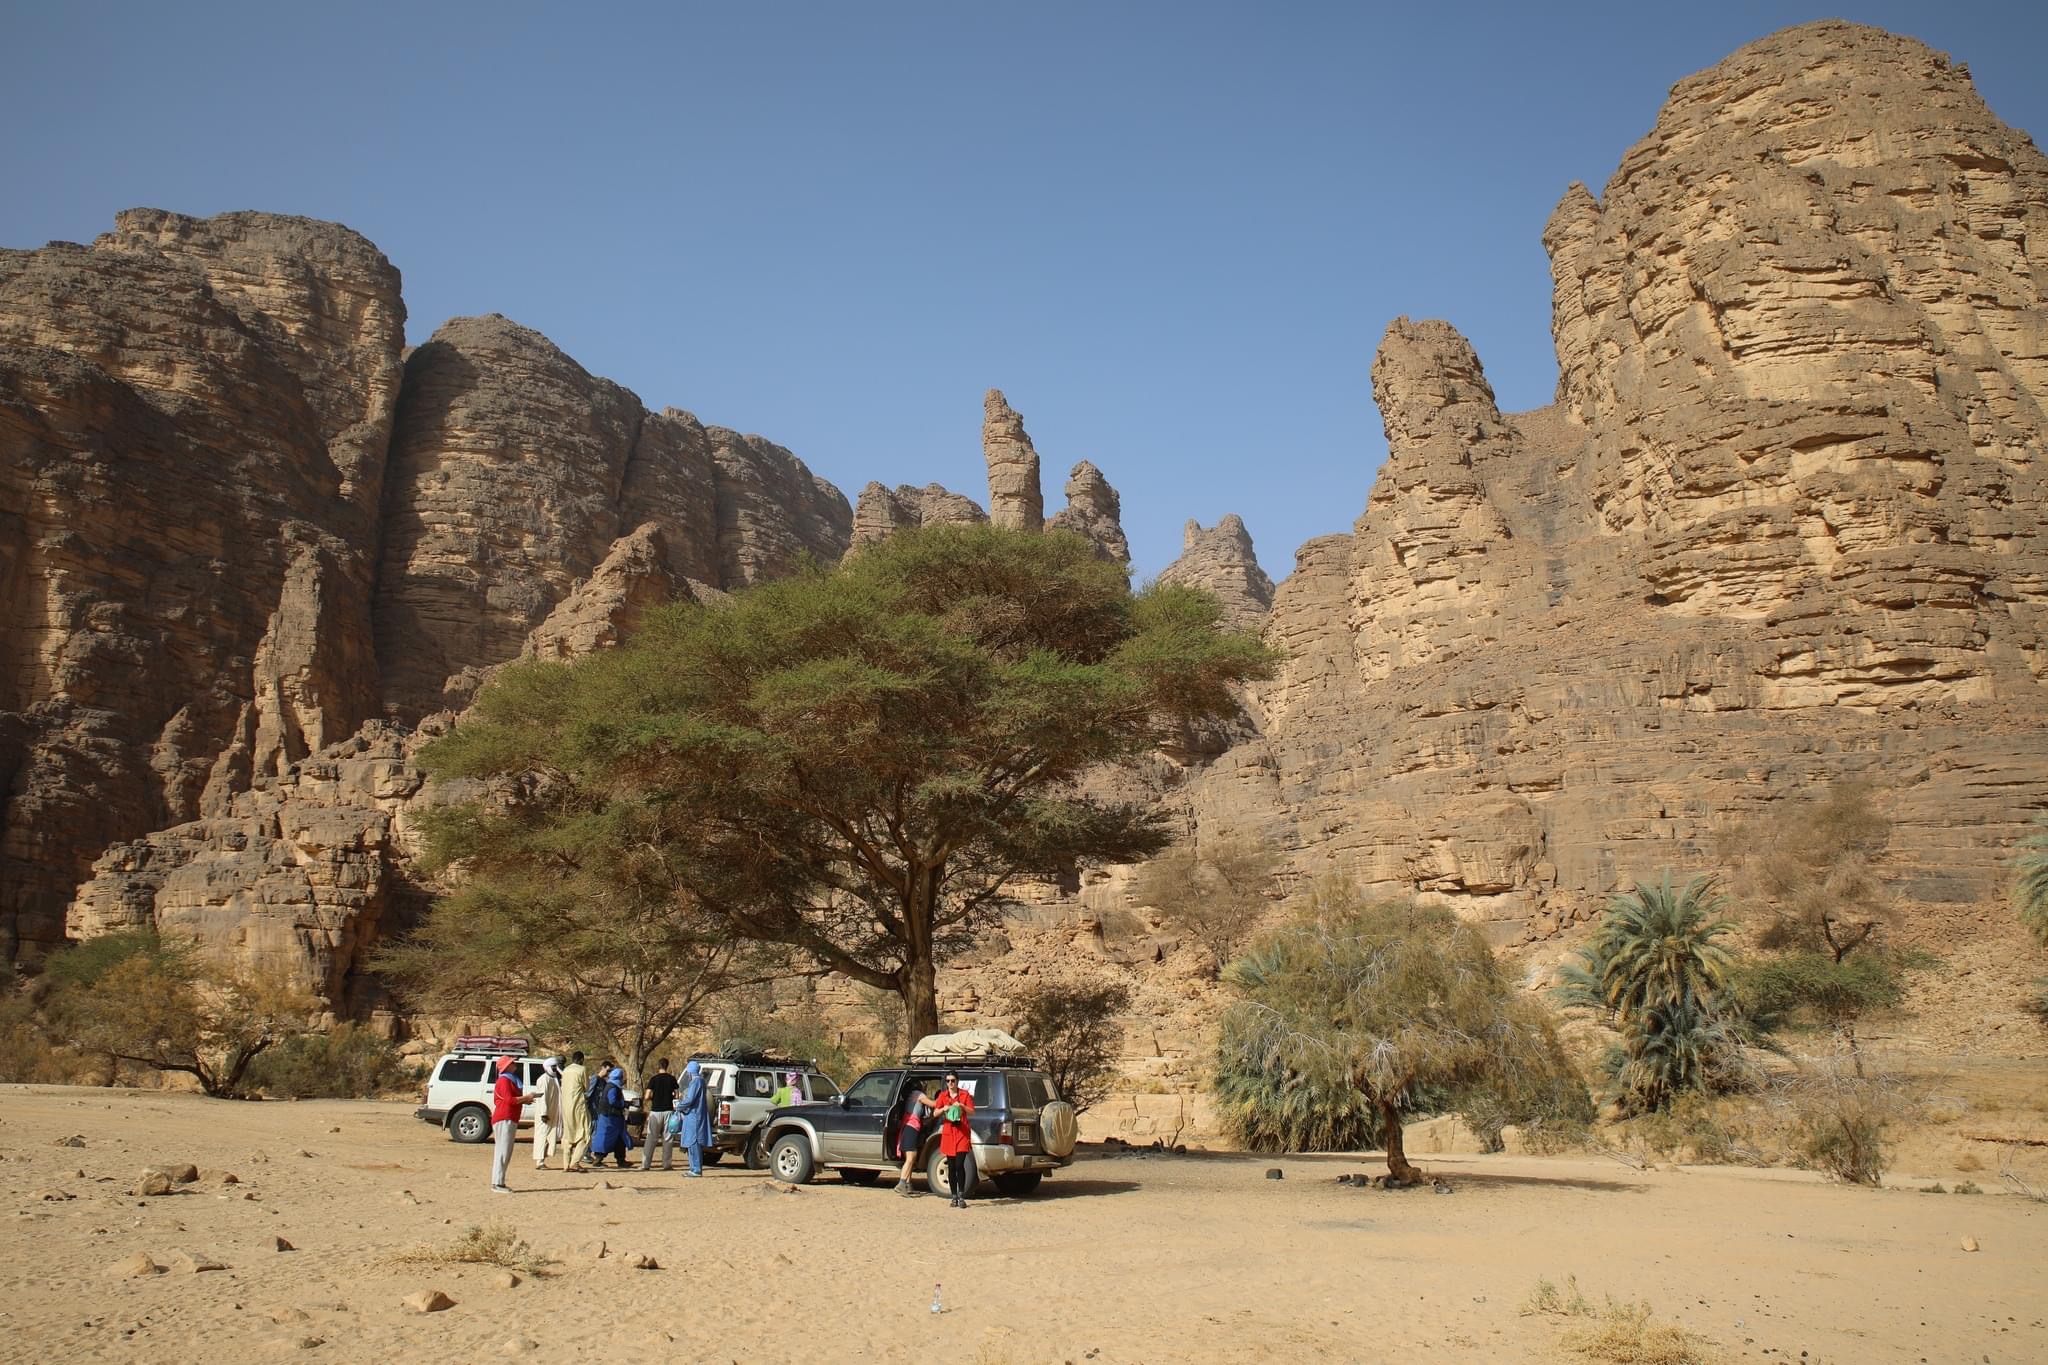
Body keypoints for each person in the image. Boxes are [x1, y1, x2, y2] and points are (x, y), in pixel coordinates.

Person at [488, 1056, 537, 1194]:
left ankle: (499, 1181)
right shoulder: (504, 1080)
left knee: (504, 1151)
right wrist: (525, 1098)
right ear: (507, 1066)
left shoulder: (509, 1080)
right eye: (511, 1062)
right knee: (503, 1151)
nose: (514, 1063)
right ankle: (498, 1183)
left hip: (509, 1117)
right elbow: (509, 1100)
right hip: (505, 1117)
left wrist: (524, 1100)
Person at [930, 1071, 976, 1208]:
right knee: (951, 1166)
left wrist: (961, 1106)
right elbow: (935, 1113)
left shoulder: (964, 1094)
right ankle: (954, 1196)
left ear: (957, 1081)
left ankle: (961, 1195)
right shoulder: (943, 1096)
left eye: (953, 1080)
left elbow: (972, 1111)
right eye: (948, 1081)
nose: (951, 1083)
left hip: (962, 1133)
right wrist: (943, 1108)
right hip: (949, 1133)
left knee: (959, 1165)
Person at [674, 1058, 713, 1176]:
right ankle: (693, 1168)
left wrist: (679, 1106)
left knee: (693, 1142)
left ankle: (696, 1169)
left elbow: (690, 1099)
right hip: (693, 1115)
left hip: (694, 1116)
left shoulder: (696, 1082)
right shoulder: (699, 1081)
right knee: (691, 1143)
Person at [590, 1066, 633, 1168]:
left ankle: (620, 1160)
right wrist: (623, 1104)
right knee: (607, 1138)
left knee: (618, 1138)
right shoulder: (613, 1087)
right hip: (610, 1118)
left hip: (610, 1117)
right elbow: (612, 1100)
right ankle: (599, 1159)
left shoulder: (610, 1085)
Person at [892, 1082, 931, 1197]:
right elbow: (932, 1103)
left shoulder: (911, 1095)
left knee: (910, 1159)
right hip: (911, 1127)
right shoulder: (918, 1094)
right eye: (924, 1084)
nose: (925, 1085)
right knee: (911, 1157)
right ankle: (901, 1184)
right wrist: (944, 1101)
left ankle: (908, 1185)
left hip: (908, 1127)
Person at [640, 1058, 679, 1171]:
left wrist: (653, 1098)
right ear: (667, 1066)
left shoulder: (654, 1079)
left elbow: (647, 1096)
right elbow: (677, 1095)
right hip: (668, 1111)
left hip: (655, 1111)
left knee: (651, 1138)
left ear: (658, 1066)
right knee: (667, 1138)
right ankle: (666, 1164)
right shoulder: (672, 1079)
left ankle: (645, 1164)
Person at [560, 1051, 593, 1173]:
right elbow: (587, 1087)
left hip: (565, 1106)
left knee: (568, 1133)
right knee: (585, 1133)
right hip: (578, 1105)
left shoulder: (566, 1070)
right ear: (581, 1060)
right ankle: (575, 1162)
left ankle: (566, 1164)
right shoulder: (582, 1069)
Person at [531, 1057, 564, 1172]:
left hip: (553, 1113)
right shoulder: (543, 1079)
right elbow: (542, 1098)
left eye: (556, 1067)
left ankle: (542, 1160)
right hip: (544, 1115)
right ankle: (539, 1162)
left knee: (549, 1137)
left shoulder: (554, 1079)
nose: (555, 1069)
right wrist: (543, 1113)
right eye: (553, 1067)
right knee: (542, 1137)